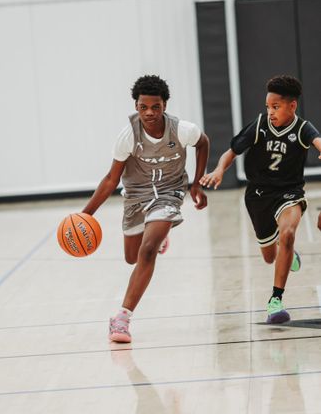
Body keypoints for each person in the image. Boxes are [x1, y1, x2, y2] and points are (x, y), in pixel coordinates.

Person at [82, 74, 209, 342]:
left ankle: (121, 319)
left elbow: (203, 143)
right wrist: (86, 214)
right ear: (136, 107)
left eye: (155, 107)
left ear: (165, 105)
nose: (149, 113)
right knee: (132, 257)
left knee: (148, 250)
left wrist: (196, 183)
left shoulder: (182, 129)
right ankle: (157, 232)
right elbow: (110, 179)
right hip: (136, 195)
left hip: (169, 192)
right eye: (143, 107)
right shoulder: (128, 136)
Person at [200, 75, 321, 324]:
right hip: (258, 196)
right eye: (268, 107)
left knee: (287, 233)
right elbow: (231, 152)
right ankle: (284, 251)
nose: (270, 112)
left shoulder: (303, 129)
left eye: (275, 107)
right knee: (269, 256)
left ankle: (275, 300)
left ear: (292, 106)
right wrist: (219, 170)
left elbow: (319, 142)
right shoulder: (259, 125)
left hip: (289, 193)